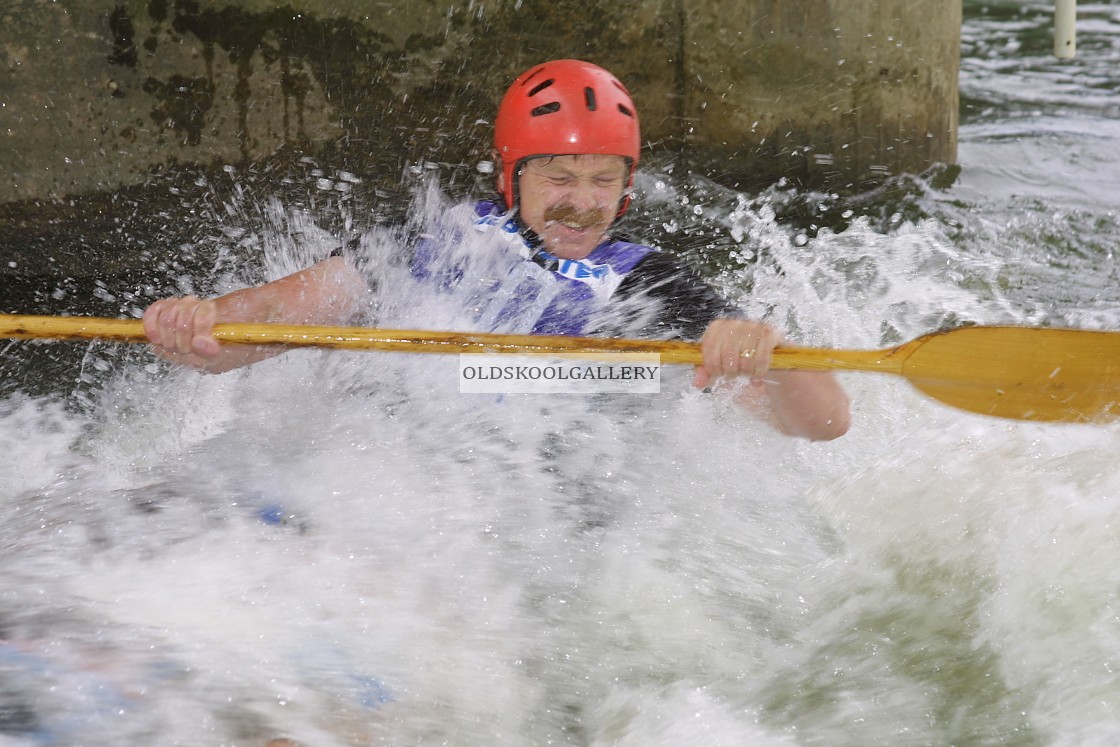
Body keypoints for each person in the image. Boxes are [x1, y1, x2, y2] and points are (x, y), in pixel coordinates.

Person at [143, 59, 850, 441]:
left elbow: (823, 423)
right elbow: (269, 316)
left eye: (604, 180)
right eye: (558, 177)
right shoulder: (430, 243)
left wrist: (770, 352)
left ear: (629, 187)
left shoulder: (651, 287)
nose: (582, 202)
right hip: (377, 483)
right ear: (510, 175)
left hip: (529, 528)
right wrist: (201, 327)